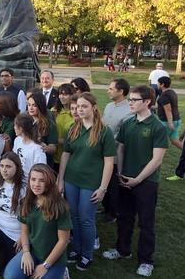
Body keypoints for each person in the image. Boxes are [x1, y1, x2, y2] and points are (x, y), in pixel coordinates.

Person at [102, 85, 168, 278]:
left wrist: (137, 179)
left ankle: (146, 261)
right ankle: (123, 250)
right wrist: (121, 173)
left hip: (146, 182)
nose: (130, 103)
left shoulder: (157, 127)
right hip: (125, 179)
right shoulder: (128, 123)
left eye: (134, 100)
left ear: (147, 102)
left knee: (146, 223)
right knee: (124, 217)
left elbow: (157, 159)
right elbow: (120, 148)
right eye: (130, 99)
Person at [58, 92, 115, 271]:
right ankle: (76, 250)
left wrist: (103, 188)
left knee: (86, 219)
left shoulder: (104, 131)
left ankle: (87, 255)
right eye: (78, 107)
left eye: (84, 106)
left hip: (91, 182)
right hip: (71, 180)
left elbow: (109, 162)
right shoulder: (74, 128)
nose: (80, 110)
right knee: (73, 217)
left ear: (94, 108)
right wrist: (60, 179)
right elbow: (66, 154)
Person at [3, 163, 71, 279]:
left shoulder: (60, 207)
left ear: (49, 182)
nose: (36, 184)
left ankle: (63, 272)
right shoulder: (26, 202)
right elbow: (24, 232)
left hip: (54, 258)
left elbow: (63, 241)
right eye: (33, 179)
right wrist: (26, 252)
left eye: (41, 180)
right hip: (34, 251)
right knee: (10, 276)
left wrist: (45, 265)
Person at [102, 78, 132, 222]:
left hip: (116, 154)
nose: (108, 91)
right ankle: (106, 207)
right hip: (102, 152)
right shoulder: (108, 106)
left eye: (111, 89)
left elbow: (123, 137)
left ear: (121, 91)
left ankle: (113, 212)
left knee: (114, 185)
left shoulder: (129, 111)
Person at [27, 91, 57, 168]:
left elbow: (53, 147)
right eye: (29, 105)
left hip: (42, 163)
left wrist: (46, 148)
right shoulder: (25, 120)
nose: (31, 108)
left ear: (40, 106)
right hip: (27, 160)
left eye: (34, 105)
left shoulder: (49, 124)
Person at [13, 113, 46, 179]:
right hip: (16, 180)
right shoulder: (17, 140)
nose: (14, 127)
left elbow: (42, 170)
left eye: (15, 125)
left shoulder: (37, 148)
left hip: (29, 182)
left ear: (21, 128)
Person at [52, 83, 75, 170]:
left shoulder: (76, 114)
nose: (62, 97)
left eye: (65, 94)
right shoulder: (54, 111)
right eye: (60, 94)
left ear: (72, 95)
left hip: (69, 156)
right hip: (54, 155)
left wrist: (62, 141)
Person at [157, 76, 182, 149]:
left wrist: (170, 123)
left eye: (158, 83)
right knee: (174, 140)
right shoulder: (172, 92)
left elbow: (168, 110)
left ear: (162, 84)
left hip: (167, 122)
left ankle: (155, 157)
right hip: (177, 120)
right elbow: (166, 105)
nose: (157, 85)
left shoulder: (164, 96)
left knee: (159, 140)